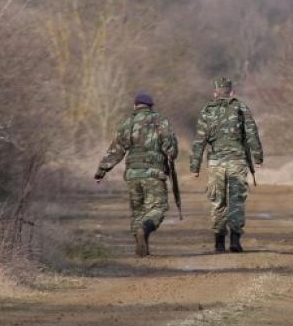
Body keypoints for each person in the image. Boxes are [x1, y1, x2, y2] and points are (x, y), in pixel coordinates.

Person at [94, 93, 178, 257]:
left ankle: (141, 245)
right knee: (157, 208)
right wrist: (170, 154)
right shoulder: (161, 122)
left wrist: (102, 171)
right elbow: (171, 151)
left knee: (137, 211)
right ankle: (144, 229)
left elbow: (116, 150)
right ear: (151, 107)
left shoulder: (127, 123)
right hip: (154, 173)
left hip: (133, 174)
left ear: (135, 106)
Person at [189, 77, 264, 253]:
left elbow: (199, 140)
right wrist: (258, 158)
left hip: (215, 162)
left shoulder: (207, 110)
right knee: (236, 201)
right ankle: (235, 241)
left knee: (217, 201)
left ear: (215, 93)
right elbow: (252, 134)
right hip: (237, 160)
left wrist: (195, 166)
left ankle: (219, 242)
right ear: (232, 92)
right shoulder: (241, 108)